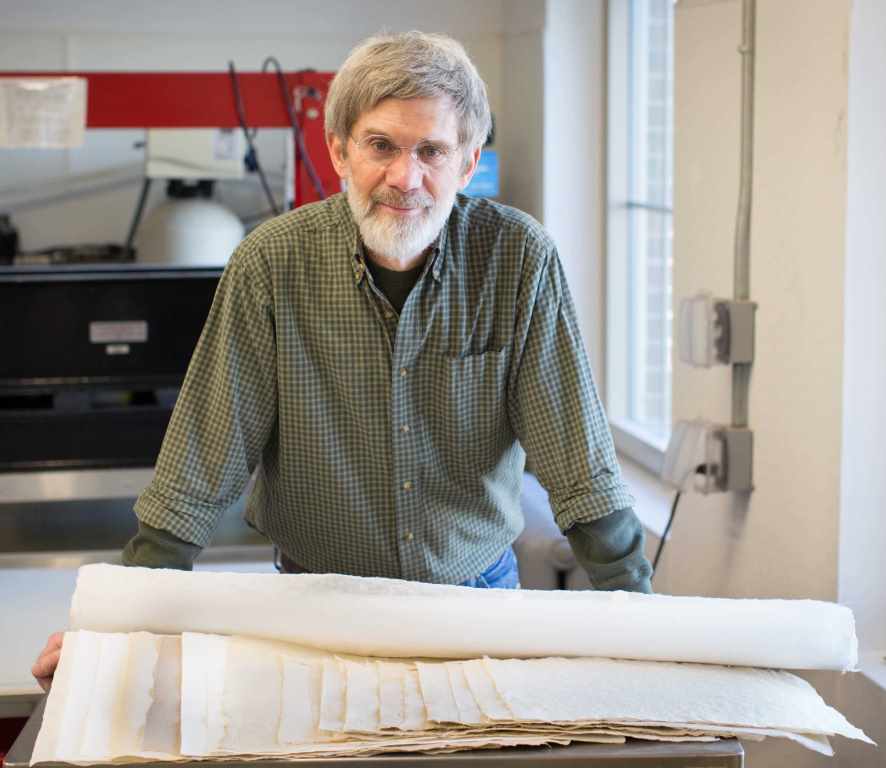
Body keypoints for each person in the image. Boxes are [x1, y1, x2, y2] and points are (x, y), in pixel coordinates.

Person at [32, 31, 652, 692]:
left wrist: (645, 629)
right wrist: (117, 623)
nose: (405, 178)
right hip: (316, 610)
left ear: (468, 163)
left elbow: (580, 467)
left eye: (432, 151)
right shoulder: (271, 264)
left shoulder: (518, 260)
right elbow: (198, 469)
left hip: (479, 602)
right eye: (381, 145)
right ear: (339, 150)